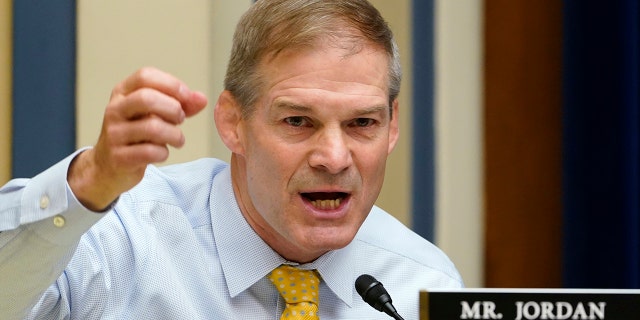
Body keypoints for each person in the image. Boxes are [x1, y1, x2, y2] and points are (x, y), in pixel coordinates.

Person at [0, 0, 463, 319]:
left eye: (362, 123)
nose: (334, 157)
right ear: (232, 123)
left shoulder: (422, 285)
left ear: (393, 126)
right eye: (298, 121)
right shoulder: (128, 239)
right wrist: (89, 181)